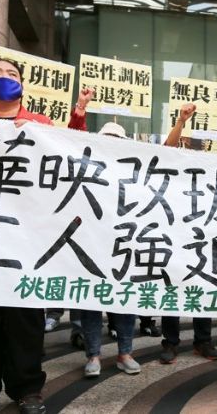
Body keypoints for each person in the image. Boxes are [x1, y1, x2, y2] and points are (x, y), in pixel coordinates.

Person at [0, 57, 93, 414]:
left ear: (22, 85)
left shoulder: (39, 124)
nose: (4, 78)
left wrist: (47, 132)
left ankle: (27, 390)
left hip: (27, 242)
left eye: (12, 74)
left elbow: (67, 160)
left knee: (25, 320)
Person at [157, 103, 217, 364]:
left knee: (201, 286)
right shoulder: (173, 162)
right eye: (191, 138)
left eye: (202, 140)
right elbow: (165, 151)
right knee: (172, 288)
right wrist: (181, 121)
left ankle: (203, 341)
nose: (197, 143)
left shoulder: (214, 166)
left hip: (202, 234)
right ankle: (170, 342)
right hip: (173, 233)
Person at [80, 122, 141, 378]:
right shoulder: (87, 169)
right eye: (108, 138)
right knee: (90, 304)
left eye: (117, 138)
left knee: (125, 302)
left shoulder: (134, 173)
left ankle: (124, 353)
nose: (112, 142)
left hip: (124, 247)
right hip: (91, 248)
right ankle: (93, 355)